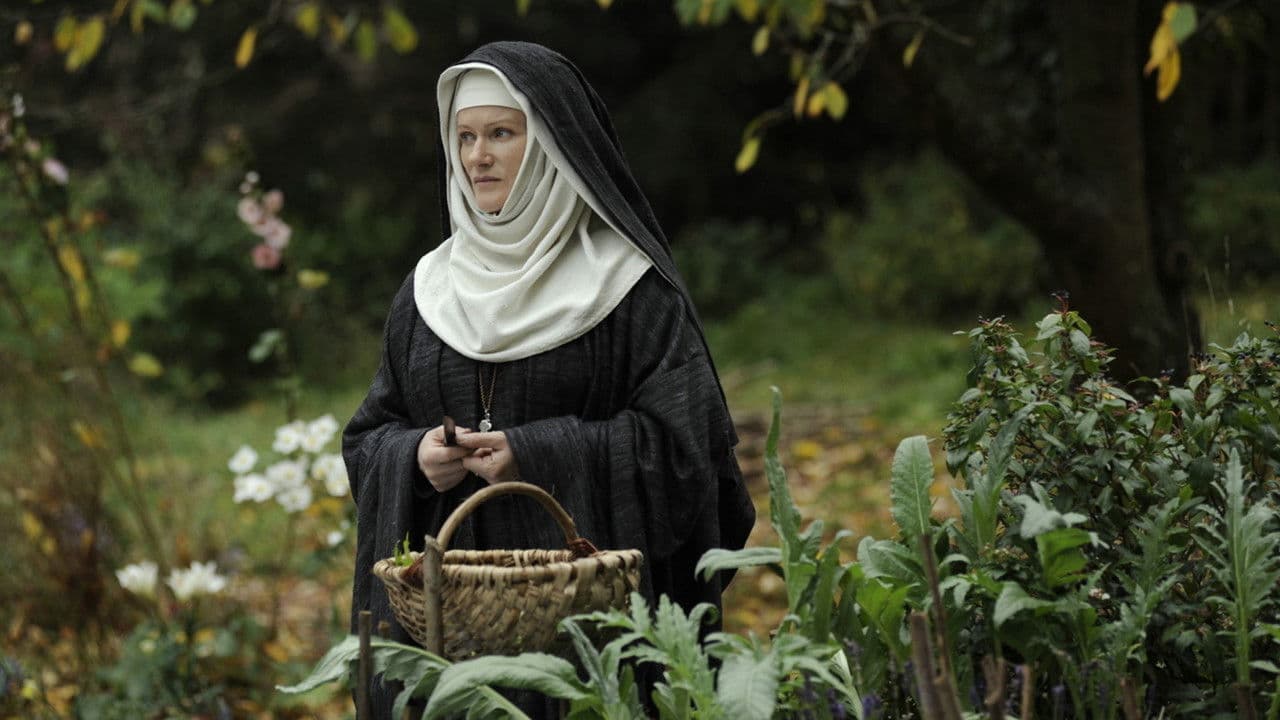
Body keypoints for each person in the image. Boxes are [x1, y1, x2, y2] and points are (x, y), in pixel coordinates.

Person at [342, 41, 756, 717]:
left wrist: (538, 454)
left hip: (591, 645)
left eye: (501, 134)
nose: (477, 157)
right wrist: (414, 459)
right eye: (465, 137)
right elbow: (368, 438)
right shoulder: (427, 292)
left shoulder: (631, 290)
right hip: (451, 648)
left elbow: (687, 454)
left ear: (552, 145)